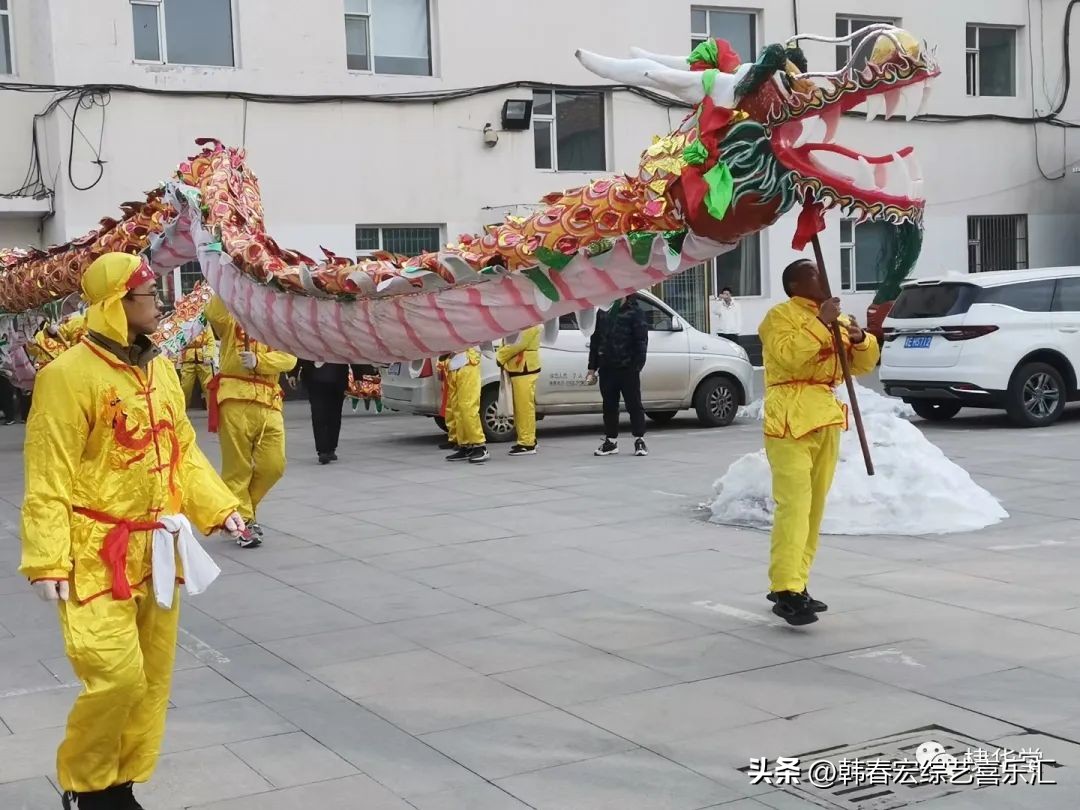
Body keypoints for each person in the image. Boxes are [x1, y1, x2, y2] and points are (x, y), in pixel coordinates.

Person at [19, 252, 244, 810]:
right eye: (148, 296)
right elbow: (48, 473)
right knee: (115, 676)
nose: (160, 304)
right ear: (117, 304)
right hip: (95, 556)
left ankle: (122, 782)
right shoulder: (66, 377)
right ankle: (85, 782)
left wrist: (219, 507)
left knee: (152, 677)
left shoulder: (162, 370)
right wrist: (48, 559)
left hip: (157, 550)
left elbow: (183, 452)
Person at [759, 259, 880, 626]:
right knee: (793, 506)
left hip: (825, 415)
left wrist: (861, 339)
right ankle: (785, 588)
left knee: (813, 510)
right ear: (795, 284)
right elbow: (789, 355)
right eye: (813, 274)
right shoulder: (780, 315)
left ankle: (799, 581)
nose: (823, 279)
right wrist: (821, 322)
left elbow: (860, 366)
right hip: (789, 419)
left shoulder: (837, 318)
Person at [205, 295, 297, 548]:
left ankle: (241, 511)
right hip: (234, 397)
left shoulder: (276, 324)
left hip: (269, 400)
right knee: (238, 469)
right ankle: (244, 522)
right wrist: (224, 283)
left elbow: (290, 358)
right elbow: (213, 313)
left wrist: (260, 362)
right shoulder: (230, 317)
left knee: (274, 465)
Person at [586, 295, 649, 457]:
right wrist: (592, 368)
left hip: (628, 368)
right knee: (609, 406)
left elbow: (641, 342)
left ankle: (639, 440)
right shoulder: (602, 312)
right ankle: (611, 441)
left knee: (634, 404)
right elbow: (596, 340)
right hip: (607, 367)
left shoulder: (635, 312)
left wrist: (637, 366)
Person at [290, 360, 353, 465]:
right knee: (318, 414)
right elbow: (301, 352)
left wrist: (360, 375)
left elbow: (350, 352)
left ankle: (331, 448)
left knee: (335, 416)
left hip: (337, 381)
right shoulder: (311, 343)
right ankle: (322, 451)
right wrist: (293, 373)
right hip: (315, 382)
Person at [496, 325, 542, 456]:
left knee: (524, 408)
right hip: (519, 368)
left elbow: (519, 343)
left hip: (524, 368)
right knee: (522, 408)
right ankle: (527, 439)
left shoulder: (532, 321)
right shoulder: (526, 319)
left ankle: (527, 443)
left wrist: (500, 356)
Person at [444, 347, 489, 464]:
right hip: (453, 366)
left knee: (468, 407)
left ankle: (479, 446)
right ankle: (465, 445)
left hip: (468, 363)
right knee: (457, 408)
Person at [177, 325, 217, 408]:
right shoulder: (182, 325)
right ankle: (182, 409)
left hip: (204, 359)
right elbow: (177, 343)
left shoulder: (205, 325)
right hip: (187, 359)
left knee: (208, 386)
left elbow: (211, 341)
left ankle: (212, 410)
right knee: (185, 386)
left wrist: (208, 355)